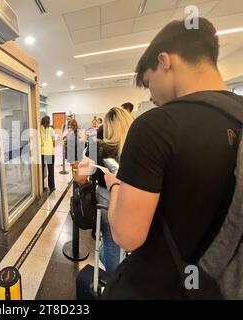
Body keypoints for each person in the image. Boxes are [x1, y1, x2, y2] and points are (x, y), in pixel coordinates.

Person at [91, 18, 242, 299]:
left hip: (159, 286)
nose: (151, 95)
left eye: (148, 83)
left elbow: (127, 236)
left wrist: (114, 186)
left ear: (165, 61)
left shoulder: (156, 126)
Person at [75, 107, 134, 273]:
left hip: (107, 198)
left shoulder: (98, 146)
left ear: (106, 126)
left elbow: (80, 177)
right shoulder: (140, 146)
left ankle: (113, 280)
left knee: (110, 242)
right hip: (137, 198)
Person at [41, 116, 56, 193]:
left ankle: (43, 187)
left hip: (43, 153)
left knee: (43, 170)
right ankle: (51, 186)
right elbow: (54, 141)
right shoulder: (50, 129)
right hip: (48, 153)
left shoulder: (40, 129)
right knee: (50, 170)